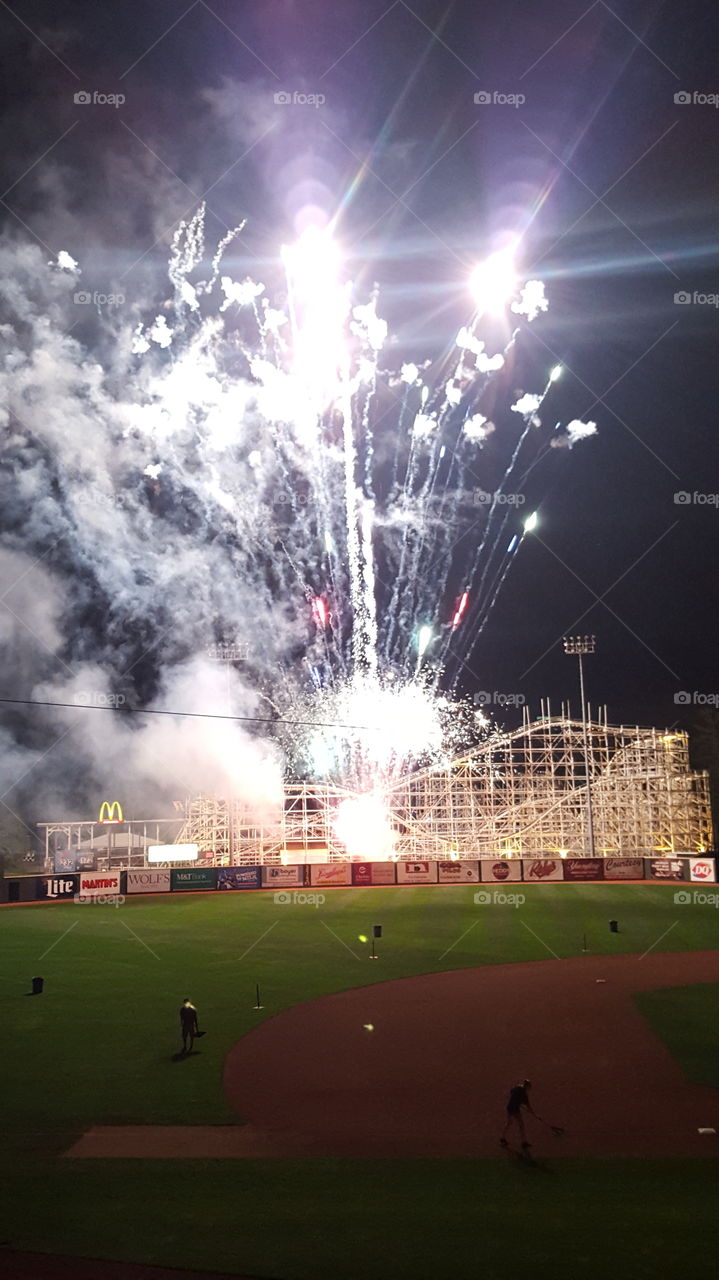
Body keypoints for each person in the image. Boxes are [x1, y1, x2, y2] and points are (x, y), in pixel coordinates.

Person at [500, 1078, 535, 1148]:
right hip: (515, 1109)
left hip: (509, 1107)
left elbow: (511, 1092)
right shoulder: (524, 1094)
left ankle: (502, 1138)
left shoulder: (517, 1087)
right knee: (521, 1125)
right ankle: (524, 1142)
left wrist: (517, 1101)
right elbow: (528, 1105)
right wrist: (533, 1113)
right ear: (527, 1086)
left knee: (509, 1123)